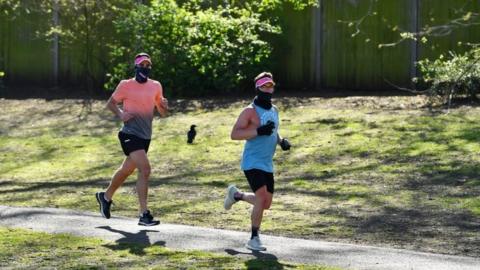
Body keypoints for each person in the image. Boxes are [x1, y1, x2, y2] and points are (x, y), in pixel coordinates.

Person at [96, 52, 168, 226]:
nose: (145, 68)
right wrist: (121, 114)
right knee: (145, 170)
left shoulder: (156, 86)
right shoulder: (126, 85)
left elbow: (162, 112)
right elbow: (110, 103)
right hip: (129, 133)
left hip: (145, 136)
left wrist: (164, 107)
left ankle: (105, 197)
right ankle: (144, 214)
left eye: (147, 65)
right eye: (142, 65)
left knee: (126, 170)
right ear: (136, 66)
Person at [224, 72, 291, 251]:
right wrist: (258, 131)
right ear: (258, 88)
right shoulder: (249, 111)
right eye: (264, 86)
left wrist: (281, 141)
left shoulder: (274, 110)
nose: (268, 89)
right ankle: (254, 239)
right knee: (261, 199)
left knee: (265, 203)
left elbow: (273, 130)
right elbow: (235, 134)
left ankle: (237, 195)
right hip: (252, 161)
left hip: (267, 162)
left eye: (271, 85)